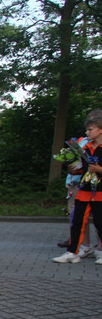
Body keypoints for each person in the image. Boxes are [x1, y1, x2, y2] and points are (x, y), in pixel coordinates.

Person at [53, 110, 102, 264]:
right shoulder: (86, 148)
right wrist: (76, 169)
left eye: (90, 129)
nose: (87, 133)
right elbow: (84, 168)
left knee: (100, 222)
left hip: (100, 191)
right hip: (85, 190)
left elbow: (96, 168)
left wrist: (99, 169)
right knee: (77, 221)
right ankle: (72, 252)